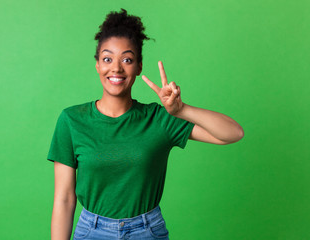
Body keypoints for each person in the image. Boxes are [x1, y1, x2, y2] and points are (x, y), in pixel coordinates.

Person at [47, 8, 244, 240]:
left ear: (139, 67)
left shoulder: (159, 119)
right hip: (92, 231)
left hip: (147, 230)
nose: (117, 68)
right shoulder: (72, 120)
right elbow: (64, 198)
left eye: (127, 59)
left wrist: (183, 110)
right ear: (98, 64)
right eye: (107, 59)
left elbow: (233, 133)